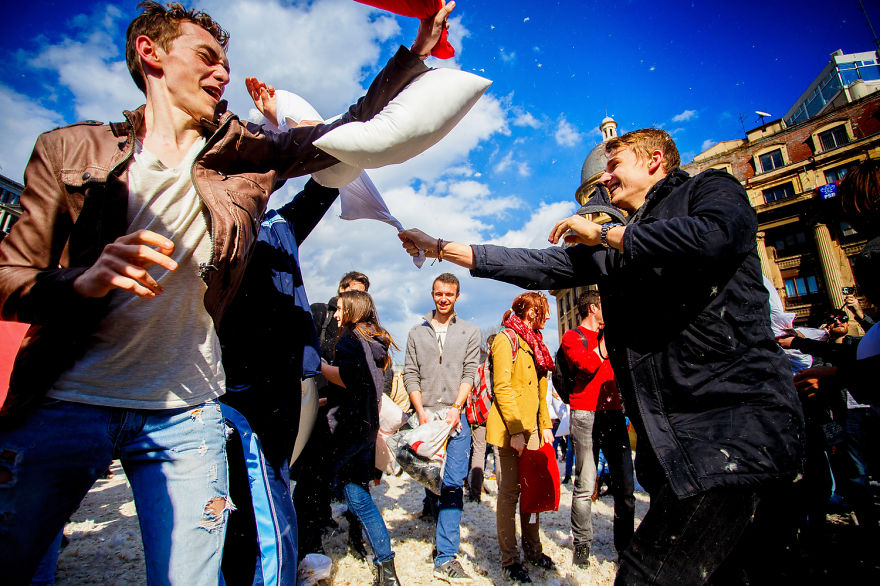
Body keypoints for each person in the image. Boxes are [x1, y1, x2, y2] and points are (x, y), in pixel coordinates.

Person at [0, 0, 451, 581]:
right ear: (150, 54)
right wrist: (80, 280)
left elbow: (351, 132)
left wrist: (414, 53)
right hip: (68, 398)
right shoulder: (69, 150)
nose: (223, 74)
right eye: (208, 58)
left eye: (226, 63)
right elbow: (10, 279)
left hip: (186, 412)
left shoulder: (243, 157)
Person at [400, 127, 804, 585]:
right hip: (676, 444)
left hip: (737, 430)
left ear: (654, 160)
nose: (606, 178)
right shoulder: (611, 248)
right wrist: (438, 247)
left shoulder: (708, 189)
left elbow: (712, 238)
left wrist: (609, 233)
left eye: (614, 166)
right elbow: (533, 263)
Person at [219, 178, 340, 584]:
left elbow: (327, 182)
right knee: (226, 502)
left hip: (276, 386)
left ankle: (274, 575)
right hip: (220, 387)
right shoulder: (202, 220)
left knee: (269, 492)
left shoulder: (278, 226)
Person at [403, 273, 481, 583]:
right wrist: (421, 412)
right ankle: (435, 521)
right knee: (430, 478)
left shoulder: (470, 331)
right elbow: (411, 374)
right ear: (432, 294)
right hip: (425, 415)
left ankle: (446, 555)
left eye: (449, 294)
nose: (443, 298)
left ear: (457, 296)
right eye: (438, 293)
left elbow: (469, 373)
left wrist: (456, 409)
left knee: (452, 483)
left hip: (455, 416)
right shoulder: (416, 332)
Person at [320, 290, 401, 585]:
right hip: (366, 429)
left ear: (353, 310)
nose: (337, 315)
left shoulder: (350, 338)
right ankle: (387, 570)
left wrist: (317, 365)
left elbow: (347, 378)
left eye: (341, 309)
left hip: (346, 429)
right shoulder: (374, 339)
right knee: (360, 499)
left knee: (312, 485)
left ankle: (303, 552)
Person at [295, 271, 372, 559]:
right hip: (316, 409)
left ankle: (354, 538)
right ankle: (308, 543)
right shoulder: (320, 314)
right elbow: (304, 356)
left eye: (362, 295)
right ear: (340, 291)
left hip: (348, 416)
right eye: (353, 292)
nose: (357, 299)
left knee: (351, 480)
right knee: (313, 479)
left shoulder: (363, 330)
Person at [486, 292, 556, 584]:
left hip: (534, 431)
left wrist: (545, 425)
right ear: (530, 311)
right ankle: (510, 560)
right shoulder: (507, 339)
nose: (549, 316)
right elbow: (501, 387)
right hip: (511, 431)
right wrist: (516, 430)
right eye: (544, 310)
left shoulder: (536, 341)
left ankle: (534, 551)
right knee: (510, 494)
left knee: (533, 492)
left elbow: (541, 392)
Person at [561, 290, 634, 567]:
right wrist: (605, 345)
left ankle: (625, 548)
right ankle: (582, 545)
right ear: (593, 308)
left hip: (614, 413)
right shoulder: (572, 337)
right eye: (604, 306)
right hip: (585, 414)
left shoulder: (611, 336)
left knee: (625, 485)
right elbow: (587, 364)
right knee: (585, 484)